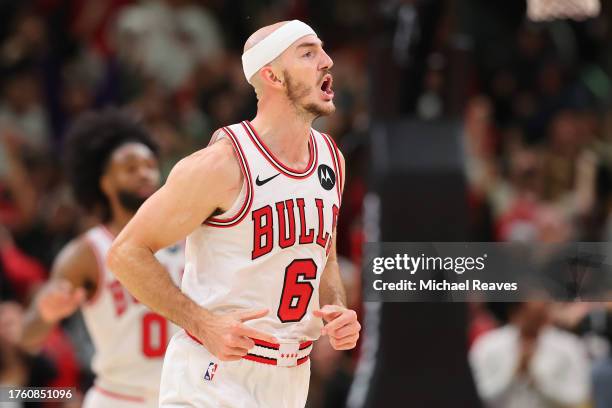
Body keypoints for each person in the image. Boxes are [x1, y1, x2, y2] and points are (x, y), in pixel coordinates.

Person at [107, 20, 360, 407]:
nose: (326, 61)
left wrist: (336, 307)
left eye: (322, 50)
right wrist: (202, 323)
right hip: (213, 376)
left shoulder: (331, 159)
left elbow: (322, 253)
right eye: (308, 53)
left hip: (290, 379)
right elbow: (125, 252)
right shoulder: (222, 164)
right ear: (271, 75)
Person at [20, 110, 184, 407]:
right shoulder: (86, 253)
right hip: (118, 398)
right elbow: (28, 337)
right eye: (130, 167)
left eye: (149, 165)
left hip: (182, 396)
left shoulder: (188, 238)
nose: (144, 173)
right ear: (104, 182)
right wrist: (46, 313)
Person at [469, 302, 590, 408]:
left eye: (542, 313)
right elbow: (477, 395)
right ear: (516, 312)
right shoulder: (488, 346)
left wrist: (538, 382)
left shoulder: (568, 346)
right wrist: (514, 373)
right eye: (534, 315)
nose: (541, 320)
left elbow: (578, 397)